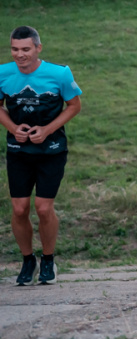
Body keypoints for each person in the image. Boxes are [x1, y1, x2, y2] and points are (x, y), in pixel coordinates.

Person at [1, 26, 82, 286]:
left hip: (51, 150)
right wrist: (13, 129)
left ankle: (48, 259)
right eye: (15, 49)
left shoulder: (60, 73)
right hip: (18, 150)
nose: (20, 54)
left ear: (38, 48)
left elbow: (74, 105)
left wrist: (47, 130)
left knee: (43, 208)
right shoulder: (2, 73)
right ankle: (28, 261)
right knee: (19, 208)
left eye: (25, 49)